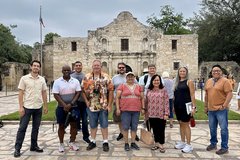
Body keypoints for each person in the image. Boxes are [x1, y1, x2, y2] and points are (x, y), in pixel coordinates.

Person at [14, 60, 48, 158]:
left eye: (38, 66)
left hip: (38, 107)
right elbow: (20, 92)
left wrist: (45, 106)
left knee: (35, 128)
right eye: (34, 66)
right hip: (27, 107)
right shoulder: (24, 79)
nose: (36, 67)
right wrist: (20, 107)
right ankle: (17, 148)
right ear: (31, 67)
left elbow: (44, 93)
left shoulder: (42, 79)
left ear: (40, 68)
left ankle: (33, 146)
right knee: (22, 128)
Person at [82, 59, 114, 152]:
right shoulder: (87, 77)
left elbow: (111, 90)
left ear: (101, 66)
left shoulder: (106, 77)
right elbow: (82, 91)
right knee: (92, 124)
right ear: (92, 66)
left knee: (104, 124)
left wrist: (110, 105)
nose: (96, 67)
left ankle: (105, 141)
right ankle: (93, 141)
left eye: (98, 65)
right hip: (91, 105)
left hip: (103, 105)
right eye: (95, 65)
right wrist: (86, 101)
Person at [204, 64, 233, 155]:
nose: (216, 72)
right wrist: (205, 106)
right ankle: (213, 144)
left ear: (221, 72)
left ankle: (224, 147)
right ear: (211, 72)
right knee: (212, 128)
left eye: (218, 71)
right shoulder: (208, 81)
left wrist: (224, 105)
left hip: (221, 110)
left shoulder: (225, 81)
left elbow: (229, 94)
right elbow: (206, 95)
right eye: (214, 71)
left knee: (223, 129)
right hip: (211, 110)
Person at [52, 65, 81, 152]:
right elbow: (56, 94)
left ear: (70, 71)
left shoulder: (75, 81)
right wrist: (65, 105)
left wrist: (71, 104)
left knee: (74, 125)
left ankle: (72, 142)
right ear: (62, 71)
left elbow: (78, 93)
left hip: (73, 107)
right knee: (61, 126)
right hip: (61, 107)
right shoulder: (57, 82)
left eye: (68, 70)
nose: (66, 71)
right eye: (64, 70)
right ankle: (61, 143)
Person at [116, 72, 145, 151]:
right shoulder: (122, 86)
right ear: (126, 78)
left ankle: (132, 142)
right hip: (125, 110)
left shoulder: (139, 86)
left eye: (132, 77)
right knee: (125, 127)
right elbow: (117, 97)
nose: (130, 78)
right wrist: (118, 108)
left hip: (136, 110)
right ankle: (126, 143)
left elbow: (142, 98)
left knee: (134, 127)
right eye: (129, 76)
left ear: (134, 77)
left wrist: (143, 108)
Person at [112, 62, 140, 141]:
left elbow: (137, 87)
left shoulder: (130, 77)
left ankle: (133, 133)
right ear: (118, 68)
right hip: (117, 101)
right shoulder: (114, 78)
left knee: (131, 118)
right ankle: (122, 132)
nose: (121, 69)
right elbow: (112, 89)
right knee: (119, 119)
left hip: (129, 102)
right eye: (120, 67)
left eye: (123, 67)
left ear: (125, 68)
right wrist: (113, 99)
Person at [173, 66, 196, 153]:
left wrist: (194, 107)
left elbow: (192, 95)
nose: (182, 73)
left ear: (186, 73)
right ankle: (182, 142)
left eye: (184, 71)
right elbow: (175, 95)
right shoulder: (176, 82)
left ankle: (189, 145)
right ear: (178, 72)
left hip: (186, 106)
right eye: (180, 71)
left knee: (186, 124)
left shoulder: (189, 82)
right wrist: (173, 107)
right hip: (178, 106)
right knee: (181, 124)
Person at [145, 74, 169, 153]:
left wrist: (166, 113)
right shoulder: (149, 90)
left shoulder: (163, 90)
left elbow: (166, 102)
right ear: (152, 81)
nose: (156, 82)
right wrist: (145, 112)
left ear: (160, 81)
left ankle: (161, 144)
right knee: (154, 129)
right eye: (155, 80)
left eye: (158, 80)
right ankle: (156, 143)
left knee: (161, 129)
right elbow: (146, 102)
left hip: (161, 113)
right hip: (151, 113)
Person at [71, 61, 90, 143]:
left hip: (83, 101)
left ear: (82, 67)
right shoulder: (71, 76)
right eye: (76, 65)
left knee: (85, 120)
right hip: (74, 102)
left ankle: (86, 136)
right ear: (74, 67)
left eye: (79, 65)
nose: (78, 67)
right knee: (75, 119)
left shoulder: (85, 76)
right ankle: (73, 136)